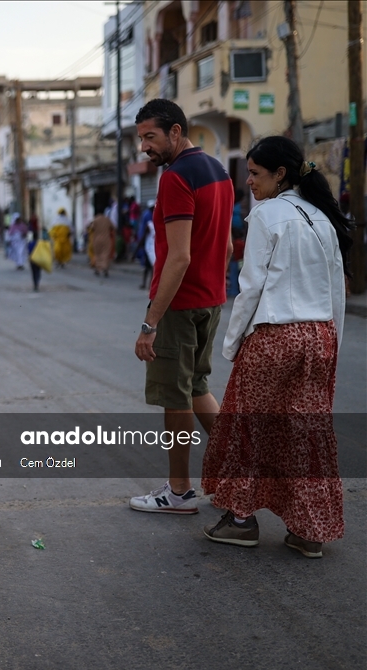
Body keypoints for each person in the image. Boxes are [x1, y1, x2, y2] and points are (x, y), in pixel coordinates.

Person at [201, 137, 350, 557]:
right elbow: (336, 289)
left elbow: (249, 289)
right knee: (307, 435)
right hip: (319, 337)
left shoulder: (267, 215)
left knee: (250, 429)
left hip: (274, 338)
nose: (248, 182)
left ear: (280, 174)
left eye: (255, 174)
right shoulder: (322, 217)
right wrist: (333, 341)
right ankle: (309, 532)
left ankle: (242, 521)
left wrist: (231, 346)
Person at [130, 98, 233, 514]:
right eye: (140, 139)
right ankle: (243, 472)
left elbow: (179, 256)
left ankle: (179, 492)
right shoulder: (218, 171)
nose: (144, 147)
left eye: (150, 137)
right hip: (211, 300)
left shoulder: (175, 178)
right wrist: (212, 286)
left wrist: (150, 322)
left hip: (179, 305)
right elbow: (225, 245)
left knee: (176, 397)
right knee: (197, 389)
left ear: (175, 132)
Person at [135, 199, 156, 289]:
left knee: (151, 267)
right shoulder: (149, 221)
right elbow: (143, 235)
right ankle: (147, 285)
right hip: (149, 248)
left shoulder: (154, 220)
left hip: (153, 248)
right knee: (149, 267)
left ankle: (149, 285)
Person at [88, 213, 114, 277]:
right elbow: (112, 227)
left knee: (98, 254)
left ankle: (98, 269)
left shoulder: (95, 220)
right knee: (105, 254)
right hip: (106, 239)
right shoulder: (107, 219)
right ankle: (105, 269)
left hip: (97, 240)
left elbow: (91, 228)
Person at [26, 222, 43, 292]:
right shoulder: (40, 243)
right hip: (38, 260)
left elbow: (28, 251)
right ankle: (37, 283)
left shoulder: (30, 243)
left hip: (32, 260)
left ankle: (35, 284)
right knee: (38, 272)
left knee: (33, 272)